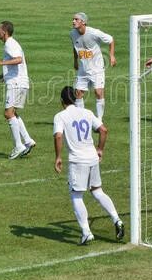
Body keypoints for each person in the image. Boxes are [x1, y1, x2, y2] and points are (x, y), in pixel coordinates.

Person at [53, 85, 124, 245]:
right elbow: (104, 130)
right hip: (92, 157)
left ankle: (86, 232)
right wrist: (100, 149)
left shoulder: (60, 116)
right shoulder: (87, 112)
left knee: (76, 195)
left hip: (78, 160)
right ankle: (117, 219)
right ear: (76, 98)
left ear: (62, 101)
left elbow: (58, 137)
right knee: (97, 191)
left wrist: (58, 157)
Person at [0, 21, 36, 159]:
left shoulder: (10, 43)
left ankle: (18, 146)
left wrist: (1, 63)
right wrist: (5, 74)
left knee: (8, 113)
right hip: (20, 82)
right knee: (13, 113)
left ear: (5, 32)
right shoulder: (12, 43)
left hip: (16, 84)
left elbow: (18, 60)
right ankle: (28, 141)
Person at [70, 12, 115, 120]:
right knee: (78, 93)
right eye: (73, 19)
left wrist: (112, 55)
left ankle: (99, 120)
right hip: (83, 69)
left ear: (83, 22)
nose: (73, 21)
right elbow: (75, 46)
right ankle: (81, 118)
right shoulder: (72, 33)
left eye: (76, 19)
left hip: (97, 69)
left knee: (98, 92)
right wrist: (75, 61)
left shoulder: (94, 33)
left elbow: (111, 40)